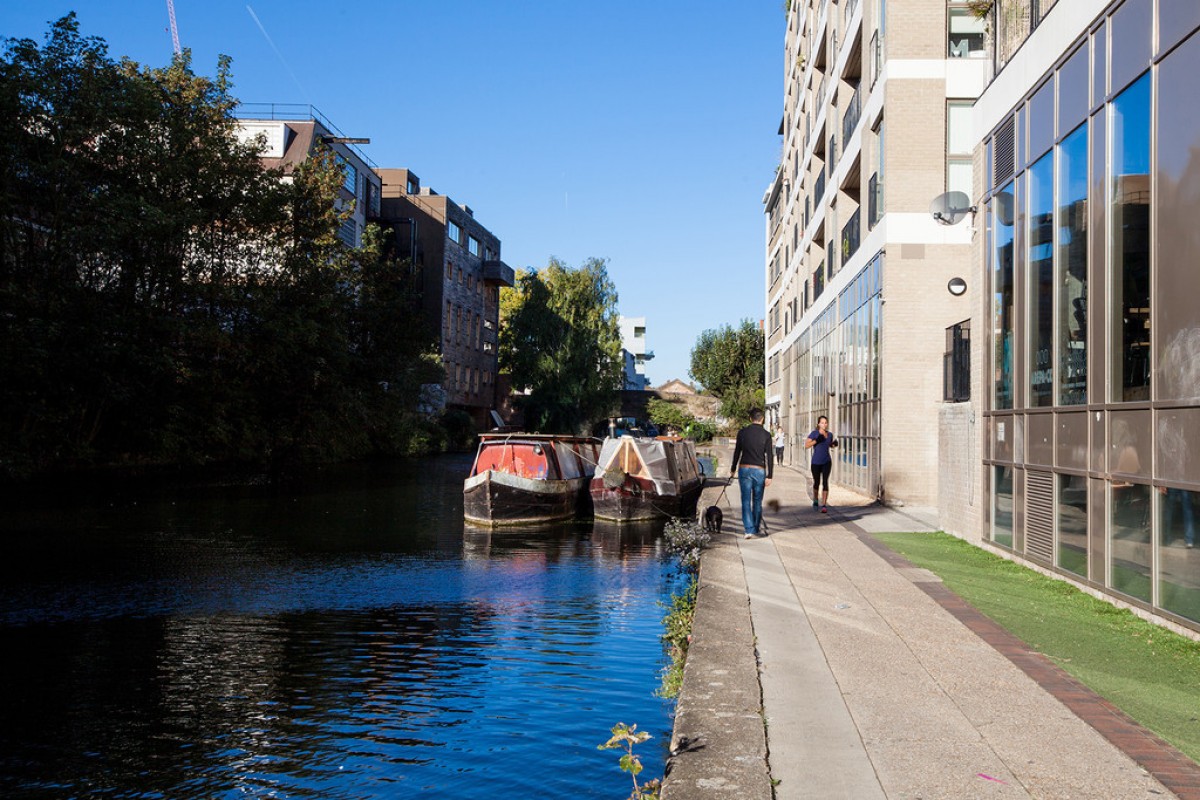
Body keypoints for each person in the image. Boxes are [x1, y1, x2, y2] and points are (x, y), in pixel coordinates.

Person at [729, 408, 773, 539]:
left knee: (746, 500)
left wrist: (732, 468)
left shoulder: (742, 433)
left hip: (745, 468)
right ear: (762, 419)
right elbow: (770, 456)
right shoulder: (766, 435)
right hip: (759, 470)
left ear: (750, 418)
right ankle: (756, 527)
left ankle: (748, 530)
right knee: (758, 501)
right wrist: (770, 475)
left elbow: (737, 452)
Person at [805, 415, 837, 513]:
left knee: (825, 482)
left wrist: (834, 444)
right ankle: (815, 500)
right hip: (816, 462)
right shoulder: (814, 433)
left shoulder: (829, 434)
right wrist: (816, 440)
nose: (824, 424)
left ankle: (824, 504)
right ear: (818, 424)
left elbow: (830, 445)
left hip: (826, 461)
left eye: (825, 423)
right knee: (817, 482)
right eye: (822, 422)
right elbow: (806, 445)